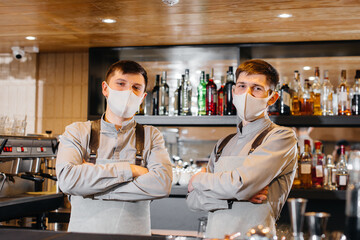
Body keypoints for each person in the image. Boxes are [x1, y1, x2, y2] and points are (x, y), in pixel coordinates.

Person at [56, 60, 172, 235]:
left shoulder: (151, 135)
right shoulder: (78, 132)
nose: (128, 92)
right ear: (105, 88)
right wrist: (132, 170)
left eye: (136, 87)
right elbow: (68, 180)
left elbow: (162, 184)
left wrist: (92, 189)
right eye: (121, 84)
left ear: (143, 97)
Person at [186, 59, 298, 238]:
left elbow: (241, 184)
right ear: (233, 91)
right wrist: (237, 196)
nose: (247, 94)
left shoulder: (281, 137)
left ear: (272, 97)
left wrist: (198, 180)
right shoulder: (223, 143)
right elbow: (192, 201)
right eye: (242, 86)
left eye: (257, 88)